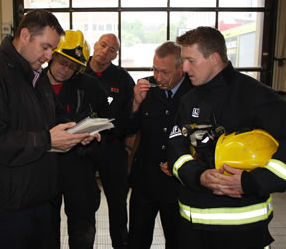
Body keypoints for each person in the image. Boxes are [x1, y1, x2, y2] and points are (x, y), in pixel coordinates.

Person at [0, 10, 95, 249]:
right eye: (45, 47)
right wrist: (46, 140)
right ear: (24, 35)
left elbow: (55, 115)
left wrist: (78, 131)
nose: (48, 57)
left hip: (40, 199)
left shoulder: (35, 75)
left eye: (52, 50)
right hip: (5, 206)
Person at [168, 26, 286, 249]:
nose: (184, 68)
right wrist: (198, 176)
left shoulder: (258, 97)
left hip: (243, 231)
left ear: (214, 58)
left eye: (191, 60)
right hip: (191, 229)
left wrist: (251, 182)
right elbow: (176, 148)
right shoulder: (188, 100)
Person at [45, 30, 110, 249]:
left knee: (82, 232)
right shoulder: (33, 85)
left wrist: (92, 136)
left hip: (80, 169)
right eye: (63, 62)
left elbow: (107, 122)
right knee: (44, 232)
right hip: (43, 170)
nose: (66, 70)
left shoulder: (89, 86)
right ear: (52, 56)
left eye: (73, 66)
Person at [126, 41, 193, 249]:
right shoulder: (145, 87)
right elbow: (126, 128)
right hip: (144, 180)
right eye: (155, 69)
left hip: (178, 184)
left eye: (165, 72)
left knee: (177, 239)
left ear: (181, 69)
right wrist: (135, 103)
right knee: (137, 238)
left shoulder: (195, 92)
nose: (158, 77)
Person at [85, 33, 135, 249]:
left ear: (116, 55)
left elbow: (132, 116)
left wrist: (127, 147)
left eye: (112, 49)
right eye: (103, 45)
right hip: (82, 149)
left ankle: (120, 244)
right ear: (95, 45)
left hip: (113, 148)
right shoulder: (77, 72)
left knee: (117, 203)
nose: (106, 51)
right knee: (84, 203)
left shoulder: (122, 79)